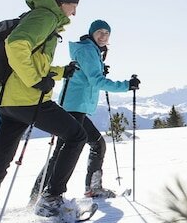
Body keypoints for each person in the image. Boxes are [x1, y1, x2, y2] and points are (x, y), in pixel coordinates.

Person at [0, 0, 88, 223]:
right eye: (73, 5)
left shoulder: (42, 17)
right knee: (77, 135)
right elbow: (16, 46)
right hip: (29, 100)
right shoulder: (45, 17)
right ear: (62, 2)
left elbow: (34, 62)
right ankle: (51, 199)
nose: (74, 12)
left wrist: (59, 72)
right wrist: (36, 81)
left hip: (10, 102)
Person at [32, 19, 140, 201]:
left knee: (92, 145)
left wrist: (98, 67)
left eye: (107, 33)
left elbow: (88, 74)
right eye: (100, 32)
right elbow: (96, 81)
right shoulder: (88, 50)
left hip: (76, 106)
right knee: (72, 149)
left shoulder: (91, 51)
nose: (103, 36)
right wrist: (126, 85)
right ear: (92, 33)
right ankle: (47, 195)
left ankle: (43, 194)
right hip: (74, 106)